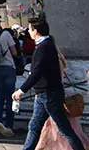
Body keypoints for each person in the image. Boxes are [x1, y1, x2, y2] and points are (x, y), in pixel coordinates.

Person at [14, 17, 86, 150]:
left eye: (30, 29)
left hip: (48, 94)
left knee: (64, 129)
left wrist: (21, 90)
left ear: (36, 31)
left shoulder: (44, 47)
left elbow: (37, 72)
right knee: (35, 126)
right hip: (44, 94)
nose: (28, 32)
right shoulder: (46, 45)